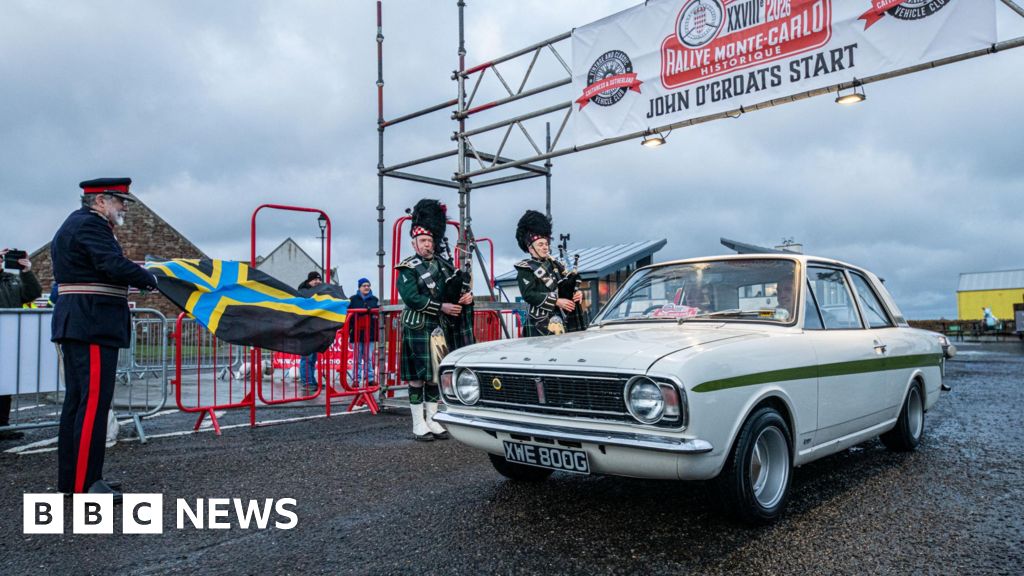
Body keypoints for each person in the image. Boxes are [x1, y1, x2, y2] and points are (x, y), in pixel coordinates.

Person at [52, 178, 158, 501]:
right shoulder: (90, 225)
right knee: (93, 404)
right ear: (100, 201)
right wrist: (150, 278)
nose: (124, 207)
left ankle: (75, 479)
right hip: (92, 323)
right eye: (119, 200)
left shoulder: (79, 224)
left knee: (78, 402)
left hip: (83, 322)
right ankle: (87, 482)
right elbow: (111, 264)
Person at [396, 199, 473, 441]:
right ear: (414, 243)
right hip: (417, 325)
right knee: (417, 377)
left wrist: (466, 297)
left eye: (429, 240)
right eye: (422, 241)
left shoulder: (444, 265)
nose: (427, 245)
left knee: (433, 375)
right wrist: (442, 307)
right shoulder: (408, 268)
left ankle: (432, 419)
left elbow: (453, 290)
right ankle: (417, 423)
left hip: (437, 327)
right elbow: (411, 298)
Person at [513, 210, 583, 337]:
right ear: (530, 248)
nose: (545, 247)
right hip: (538, 322)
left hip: (560, 318)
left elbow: (566, 286)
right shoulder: (525, 268)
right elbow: (529, 294)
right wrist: (556, 301)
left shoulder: (556, 265)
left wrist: (577, 293)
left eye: (546, 244)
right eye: (540, 244)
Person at [0, 248, 43, 441]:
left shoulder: (12, 280)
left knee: (4, 385)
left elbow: (33, 293)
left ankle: (2, 426)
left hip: (8, 339)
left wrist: (27, 272)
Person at [347, 277, 379, 385]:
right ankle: (356, 379)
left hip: (370, 333)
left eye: (368, 285)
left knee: (368, 358)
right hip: (356, 333)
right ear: (359, 287)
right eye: (364, 285)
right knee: (357, 358)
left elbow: (379, 313)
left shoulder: (374, 299)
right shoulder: (352, 299)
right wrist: (349, 330)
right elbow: (347, 315)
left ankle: (369, 379)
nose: (366, 287)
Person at [296, 271, 324, 390]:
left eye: (319, 279)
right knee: (306, 357)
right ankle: (307, 382)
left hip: (315, 328)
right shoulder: (303, 292)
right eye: (315, 280)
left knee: (312, 358)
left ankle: (311, 381)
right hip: (306, 329)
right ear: (309, 281)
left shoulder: (320, 292)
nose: (318, 282)